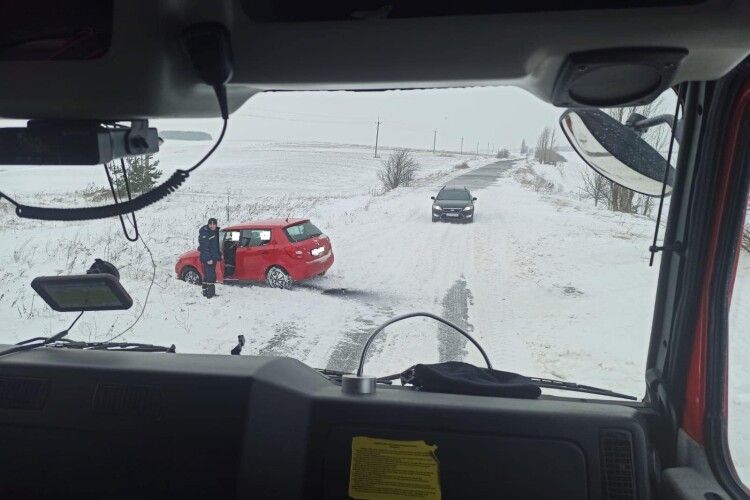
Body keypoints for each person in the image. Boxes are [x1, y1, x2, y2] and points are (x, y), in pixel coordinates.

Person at [198, 217, 221, 298]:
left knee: (208, 276)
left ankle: (205, 292)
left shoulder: (215, 232)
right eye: (210, 224)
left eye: (213, 224)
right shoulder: (205, 233)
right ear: (208, 224)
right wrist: (208, 259)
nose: (212, 225)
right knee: (211, 276)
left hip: (213, 257)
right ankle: (210, 294)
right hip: (208, 259)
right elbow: (204, 248)